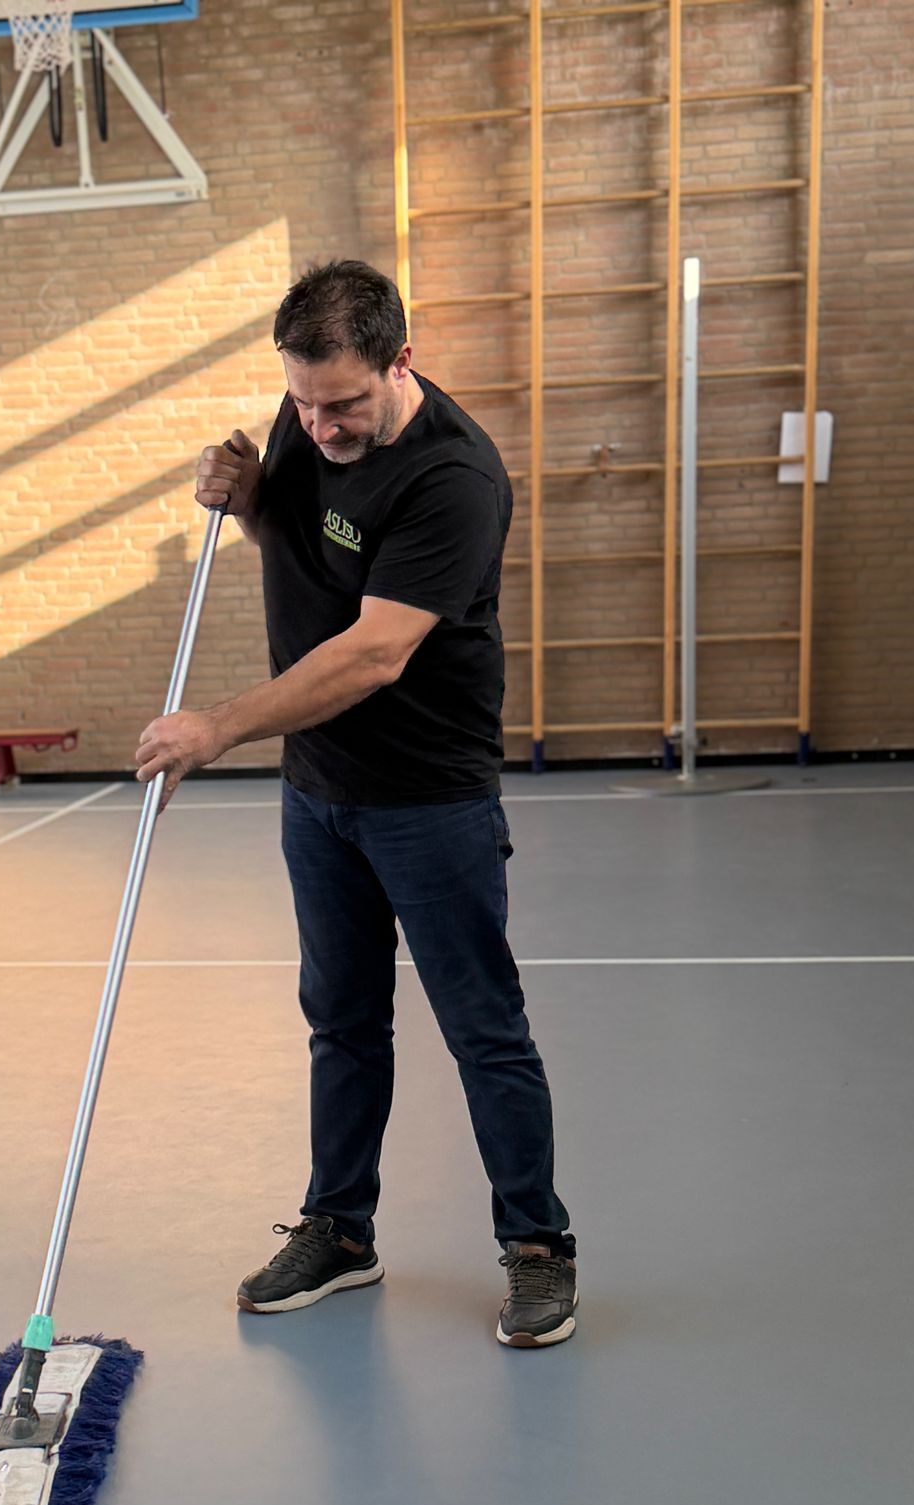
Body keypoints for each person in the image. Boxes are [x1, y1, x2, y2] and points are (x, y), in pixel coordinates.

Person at [134, 258, 577, 1348]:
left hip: (428, 799)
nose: (320, 425)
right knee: (339, 1021)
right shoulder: (306, 420)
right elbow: (302, 546)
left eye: (342, 404)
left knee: (483, 1029)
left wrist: (215, 727)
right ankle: (339, 1229)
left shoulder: (453, 478)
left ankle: (537, 1246)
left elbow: (375, 652)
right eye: (303, 401)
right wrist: (250, 497)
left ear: (399, 361)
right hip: (320, 792)